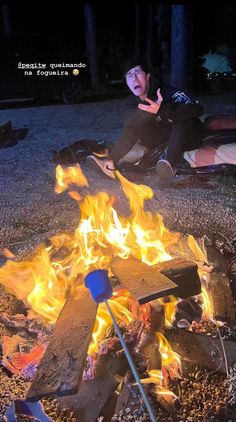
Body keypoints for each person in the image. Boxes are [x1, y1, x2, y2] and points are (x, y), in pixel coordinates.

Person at [86, 56, 204, 181]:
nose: (134, 79)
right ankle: (109, 162)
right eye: (129, 76)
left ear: (147, 77)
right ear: (126, 82)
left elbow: (197, 109)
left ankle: (171, 163)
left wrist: (163, 110)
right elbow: (129, 129)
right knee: (136, 123)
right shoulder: (130, 103)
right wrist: (113, 157)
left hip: (188, 137)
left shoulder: (165, 92)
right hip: (160, 140)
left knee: (182, 119)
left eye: (137, 73)